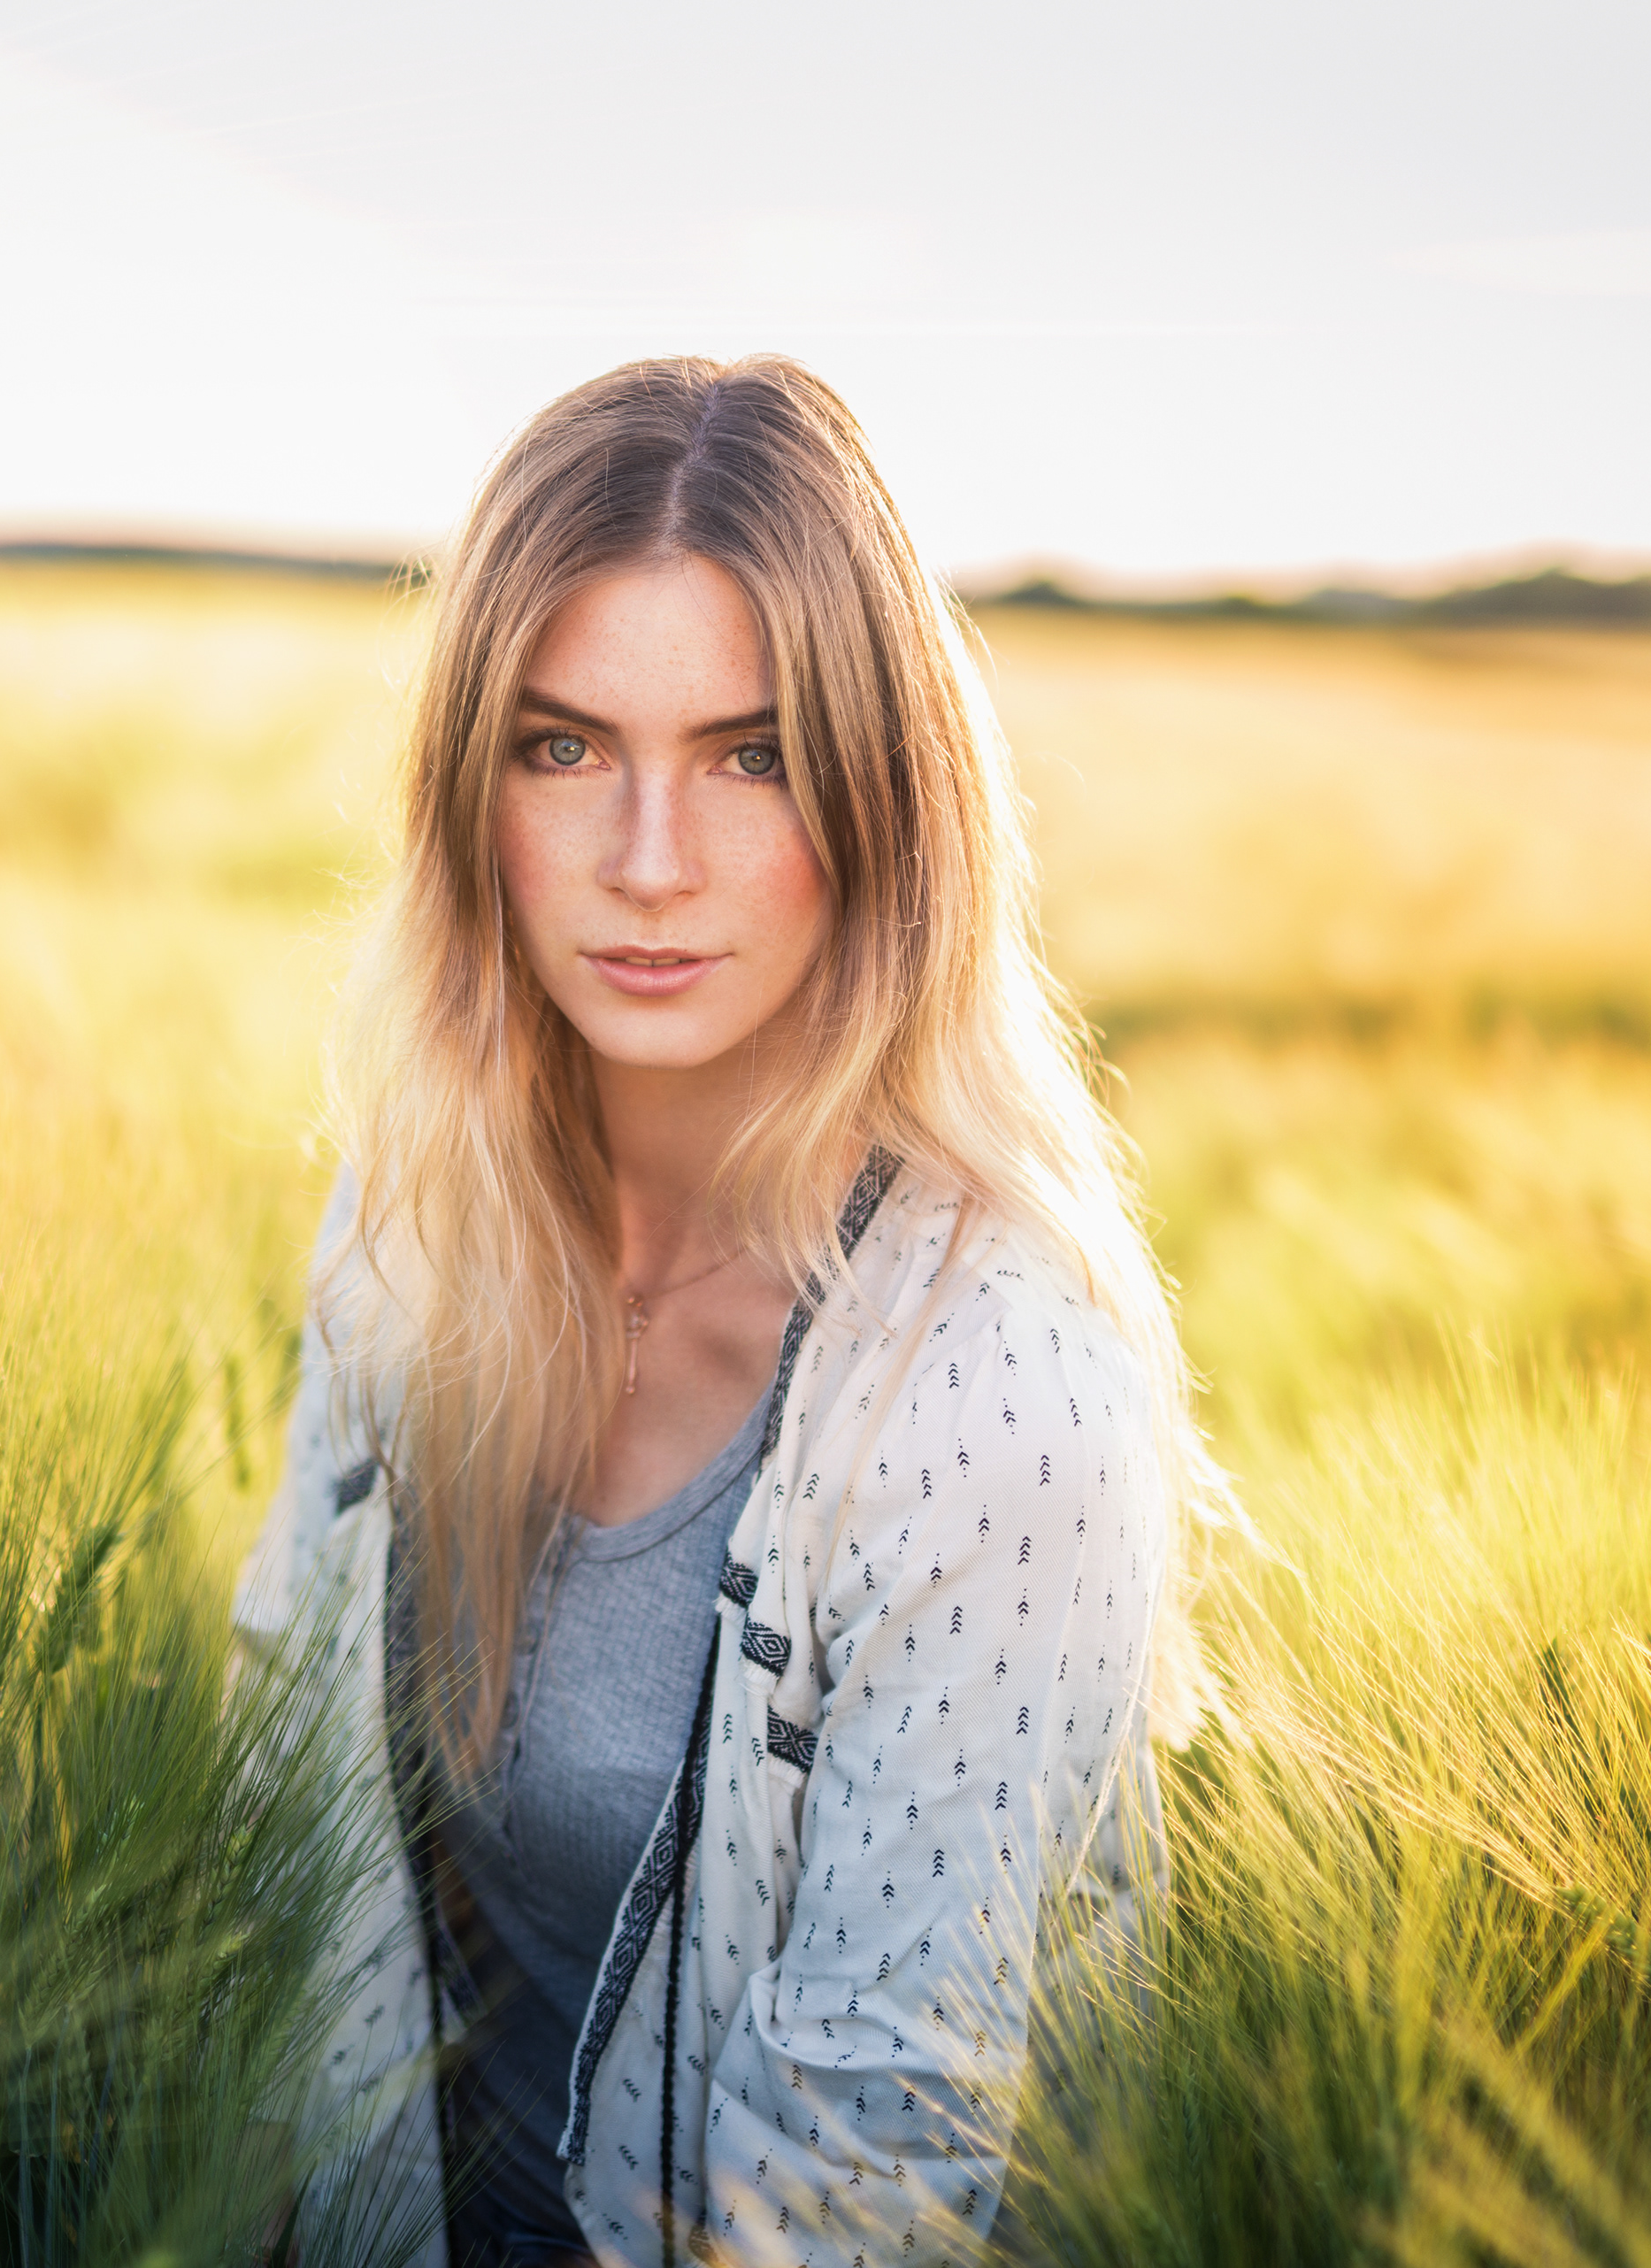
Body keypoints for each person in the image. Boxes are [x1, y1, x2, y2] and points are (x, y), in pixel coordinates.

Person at [231, 356, 1223, 2268]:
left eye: (750, 754)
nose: (651, 862)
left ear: (881, 793)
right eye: (564, 746)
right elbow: (276, 1830)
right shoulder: (405, 1226)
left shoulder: (993, 1396)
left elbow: (861, 2198)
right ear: (470, 790)